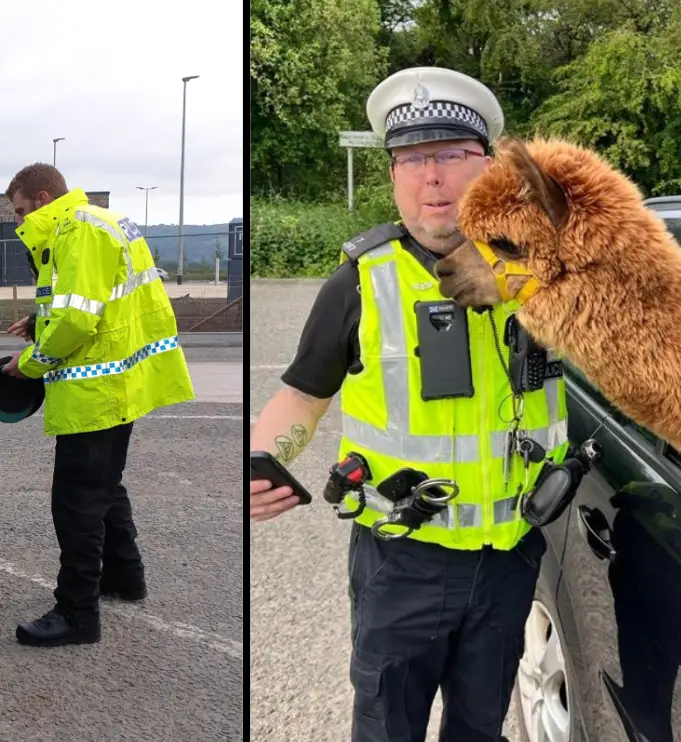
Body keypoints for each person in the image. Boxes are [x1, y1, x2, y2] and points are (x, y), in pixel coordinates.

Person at [249, 67, 569, 742]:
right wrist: (262, 456)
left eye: (454, 155)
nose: (435, 178)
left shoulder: (548, 273)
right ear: (392, 175)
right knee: (388, 727)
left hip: (510, 556)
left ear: (489, 167)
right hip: (402, 560)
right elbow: (303, 393)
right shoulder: (359, 282)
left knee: (480, 727)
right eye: (415, 159)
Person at [1, 163, 195, 647]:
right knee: (104, 484)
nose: (20, 221)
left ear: (44, 198)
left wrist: (28, 364)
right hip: (121, 380)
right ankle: (125, 578)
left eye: (22, 210)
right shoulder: (105, 221)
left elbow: (77, 324)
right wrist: (37, 318)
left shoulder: (75, 232)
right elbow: (89, 302)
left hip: (94, 387)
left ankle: (77, 614)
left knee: (77, 502)